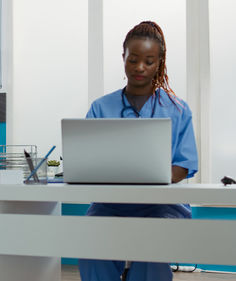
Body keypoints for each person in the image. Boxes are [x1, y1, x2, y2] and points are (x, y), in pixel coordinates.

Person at [78, 21, 198, 281]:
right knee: (91, 247)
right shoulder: (101, 107)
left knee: (149, 251)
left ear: (160, 62)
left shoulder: (178, 109)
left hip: (161, 205)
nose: (140, 67)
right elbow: (87, 159)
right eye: (133, 59)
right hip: (110, 204)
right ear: (123, 57)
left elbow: (183, 166)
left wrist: (147, 175)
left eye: (149, 60)